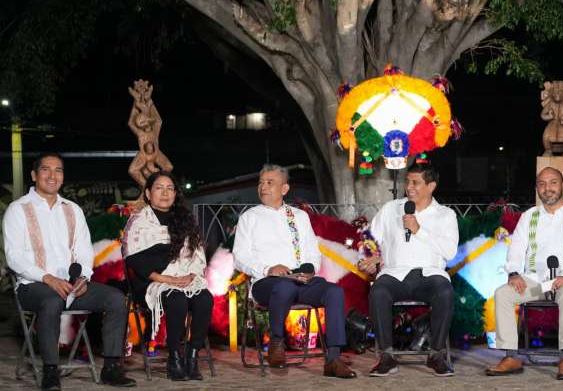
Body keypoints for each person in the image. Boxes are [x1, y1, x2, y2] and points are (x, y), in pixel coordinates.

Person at [3, 152, 136, 390]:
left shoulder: (73, 209)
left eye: (58, 170)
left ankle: (111, 368)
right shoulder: (18, 209)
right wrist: (47, 278)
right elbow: (14, 257)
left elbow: (84, 251)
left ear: (63, 177)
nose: (52, 175)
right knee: (52, 299)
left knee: (116, 298)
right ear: (34, 175)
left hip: (72, 286)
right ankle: (51, 371)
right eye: (46, 169)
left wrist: (83, 277)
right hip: (32, 286)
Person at [232, 164, 356, 379]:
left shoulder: (298, 216)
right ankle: (276, 342)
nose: (263, 187)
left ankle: (333, 358)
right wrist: (268, 269)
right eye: (261, 182)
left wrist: (309, 270)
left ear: (284, 188)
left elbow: (312, 253)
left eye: (270, 182)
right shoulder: (249, 217)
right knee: (283, 286)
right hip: (266, 282)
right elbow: (240, 258)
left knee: (334, 292)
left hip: (300, 280)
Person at [485, 167, 563, 380]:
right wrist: (515, 273)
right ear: (537, 189)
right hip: (535, 281)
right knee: (503, 293)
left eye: (553, 182)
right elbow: (516, 248)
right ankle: (511, 356)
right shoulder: (529, 216)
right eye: (542, 184)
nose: (548, 188)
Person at [358, 162, 459, 377]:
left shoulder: (445, 215)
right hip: (394, 274)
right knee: (378, 291)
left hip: (430, 275)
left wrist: (418, 230)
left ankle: (436, 355)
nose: (409, 187)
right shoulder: (391, 209)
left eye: (416, 182)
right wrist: (370, 257)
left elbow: (450, 252)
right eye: (407, 181)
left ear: (431, 186)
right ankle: (386, 356)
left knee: (445, 291)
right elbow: (369, 238)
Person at [122, 171, 213, 381]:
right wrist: (169, 280)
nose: (165, 193)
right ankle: (174, 357)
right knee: (176, 298)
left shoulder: (184, 220)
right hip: (152, 281)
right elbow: (135, 261)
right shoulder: (139, 223)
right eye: (159, 188)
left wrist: (190, 275)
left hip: (185, 279)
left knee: (204, 299)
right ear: (148, 193)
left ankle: (192, 355)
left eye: (170, 188)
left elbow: (197, 255)